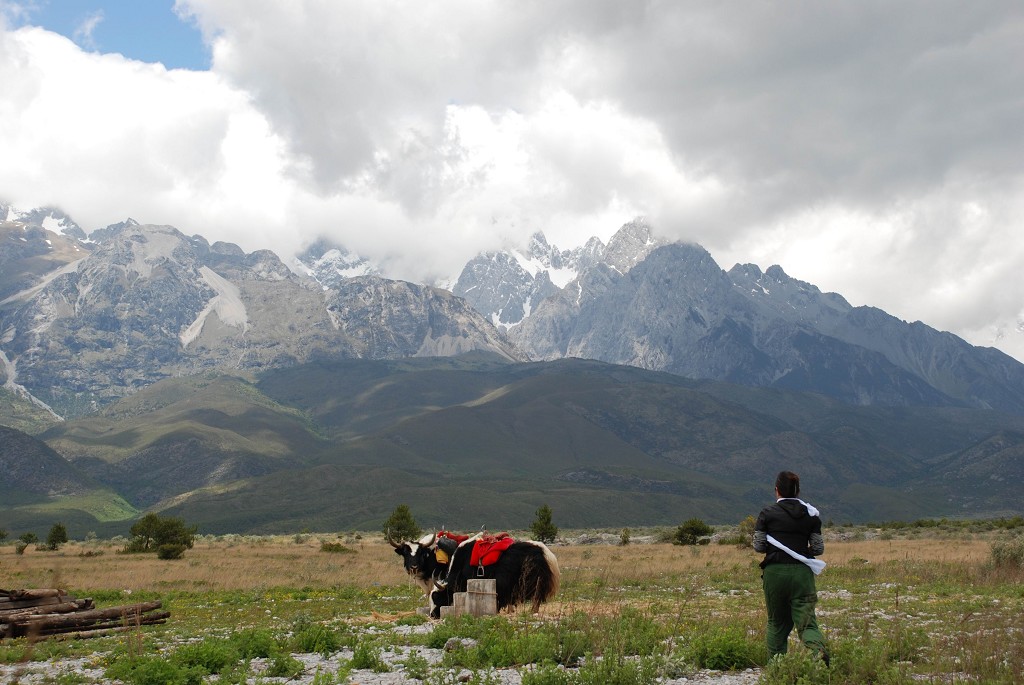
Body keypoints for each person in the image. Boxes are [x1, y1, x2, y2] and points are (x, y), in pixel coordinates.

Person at [753, 470, 829, 664]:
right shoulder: (811, 516)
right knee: (807, 624)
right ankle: (818, 657)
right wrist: (801, 552)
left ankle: (777, 668)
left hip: (775, 572)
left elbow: (759, 546)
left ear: (776, 490)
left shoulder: (767, 514)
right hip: (802, 574)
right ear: (797, 491)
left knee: (777, 624)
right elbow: (818, 548)